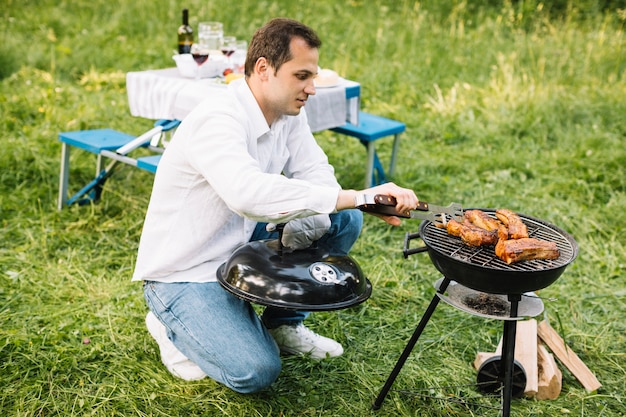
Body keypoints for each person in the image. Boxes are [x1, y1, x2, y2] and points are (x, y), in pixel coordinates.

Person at [132, 17, 418, 394]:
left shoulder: (286, 113)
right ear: (264, 69)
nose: (312, 88)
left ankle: (283, 323)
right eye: (302, 76)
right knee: (256, 371)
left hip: (239, 239)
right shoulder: (218, 118)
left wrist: (361, 203)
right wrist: (355, 195)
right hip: (184, 269)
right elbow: (247, 194)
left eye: (312, 76)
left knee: (343, 219)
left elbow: (316, 173)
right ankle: (169, 323)